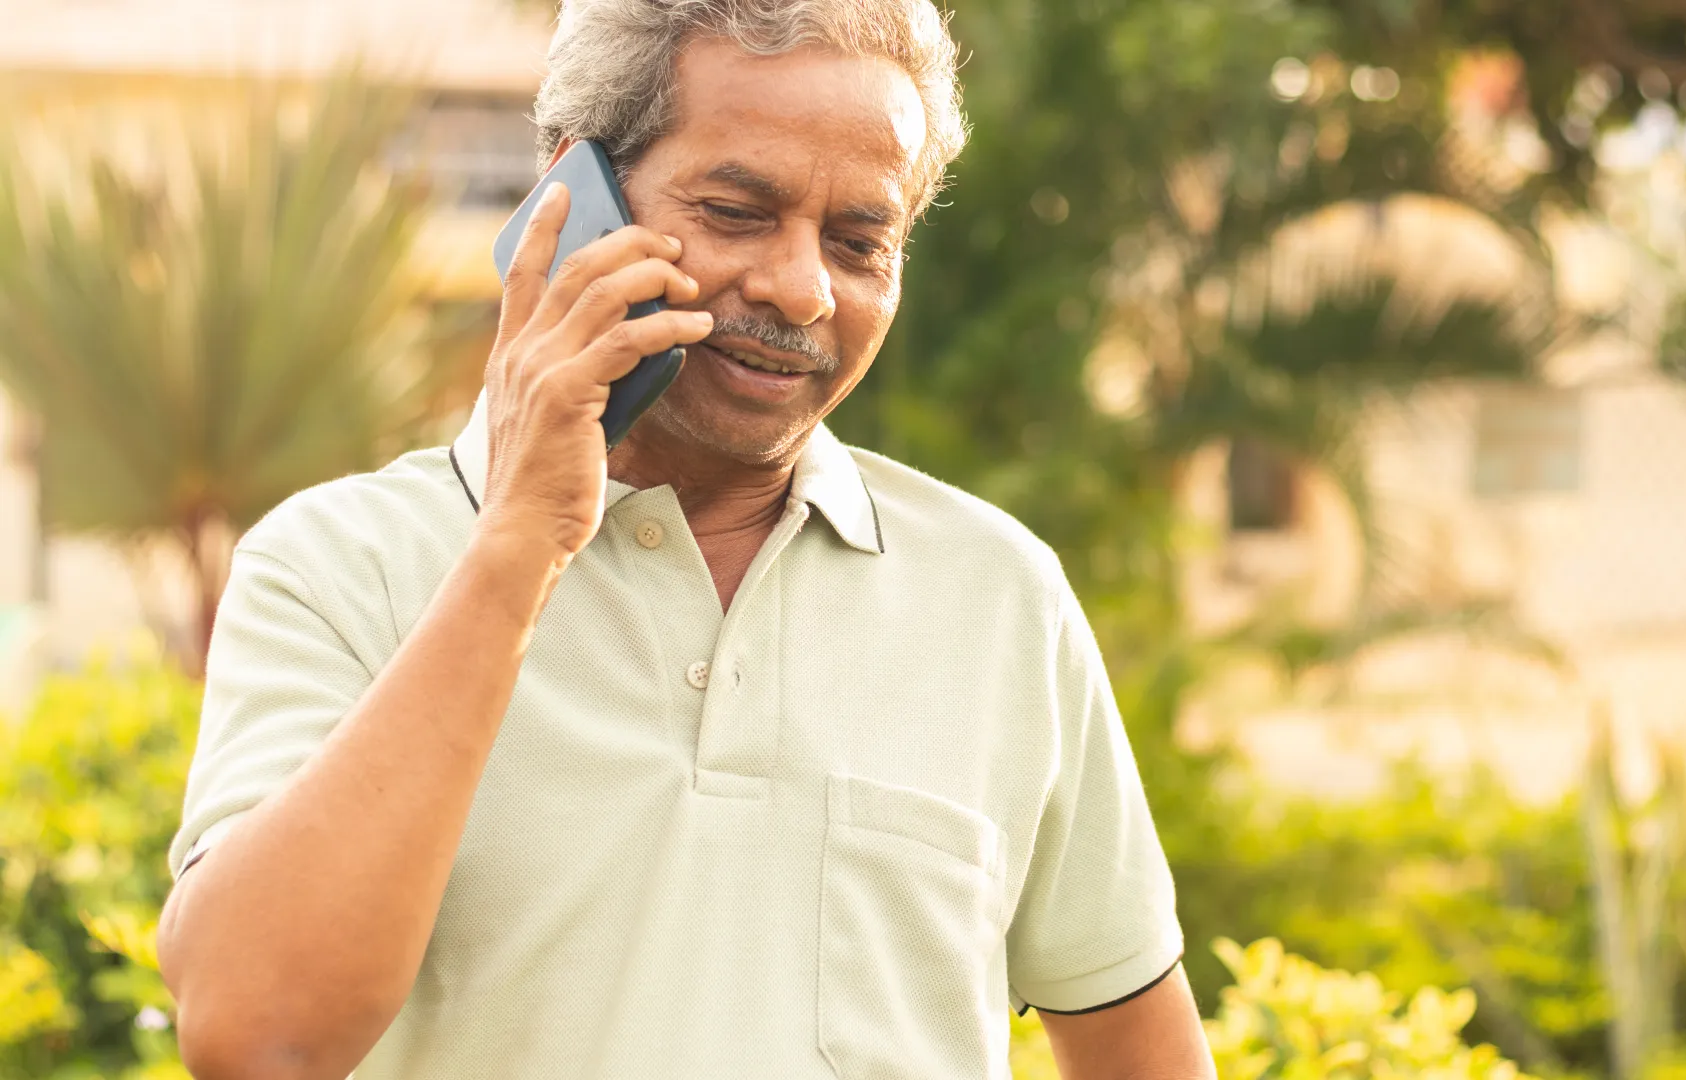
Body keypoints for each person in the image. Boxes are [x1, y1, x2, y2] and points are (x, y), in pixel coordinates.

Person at [157, 2, 1211, 1077]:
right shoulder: (337, 566)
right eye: (738, 211)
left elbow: (1141, 1047)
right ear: (572, 202)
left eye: (859, 242)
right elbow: (256, 1033)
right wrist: (518, 549)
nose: (802, 289)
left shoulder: (1000, 597)